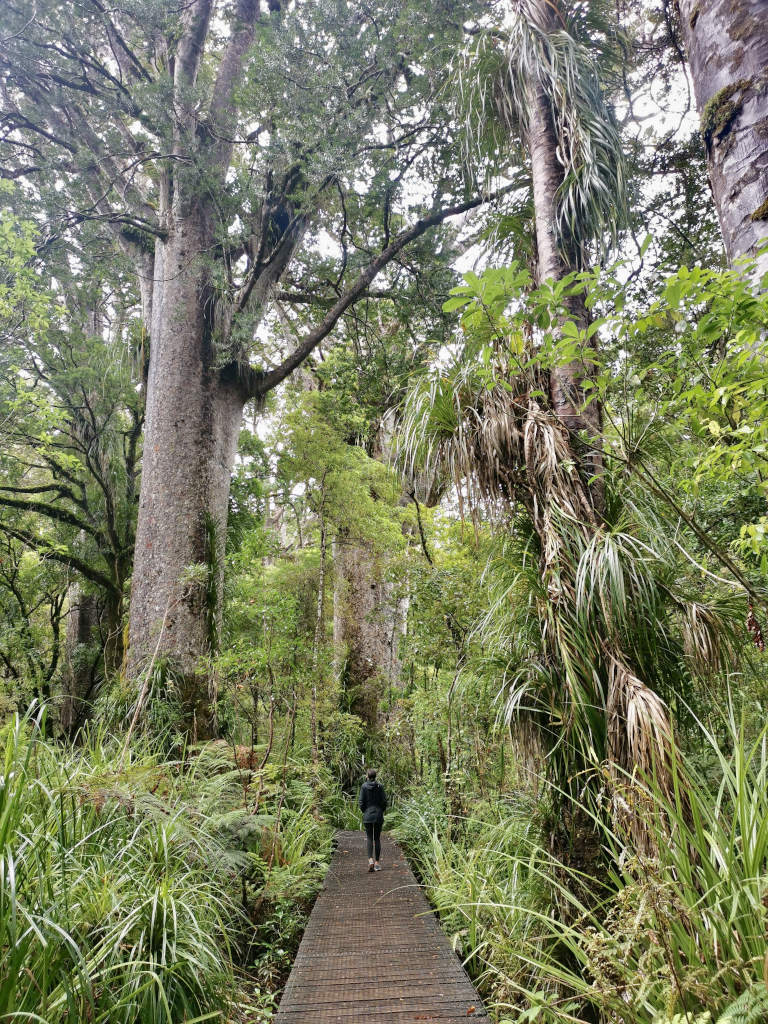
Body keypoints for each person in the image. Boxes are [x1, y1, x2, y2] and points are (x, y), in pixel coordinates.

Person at [358, 767, 388, 872]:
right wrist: (381, 810)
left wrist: (365, 811)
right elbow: (384, 801)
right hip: (378, 815)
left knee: (370, 838)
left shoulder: (363, 787)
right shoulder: (380, 786)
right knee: (377, 839)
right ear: (375, 776)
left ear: (367, 776)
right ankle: (377, 863)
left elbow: (361, 802)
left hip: (368, 816)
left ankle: (370, 859)